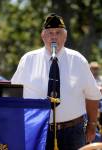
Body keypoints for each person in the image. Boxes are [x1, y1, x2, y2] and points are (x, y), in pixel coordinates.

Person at [11, 13, 102, 149]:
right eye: (49, 33)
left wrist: (92, 125)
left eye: (58, 33)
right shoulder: (28, 60)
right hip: (38, 130)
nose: (53, 36)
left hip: (73, 131)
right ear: (42, 36)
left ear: (65, 36)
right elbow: (14, 94)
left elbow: (92, 96)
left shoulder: (78, 60)